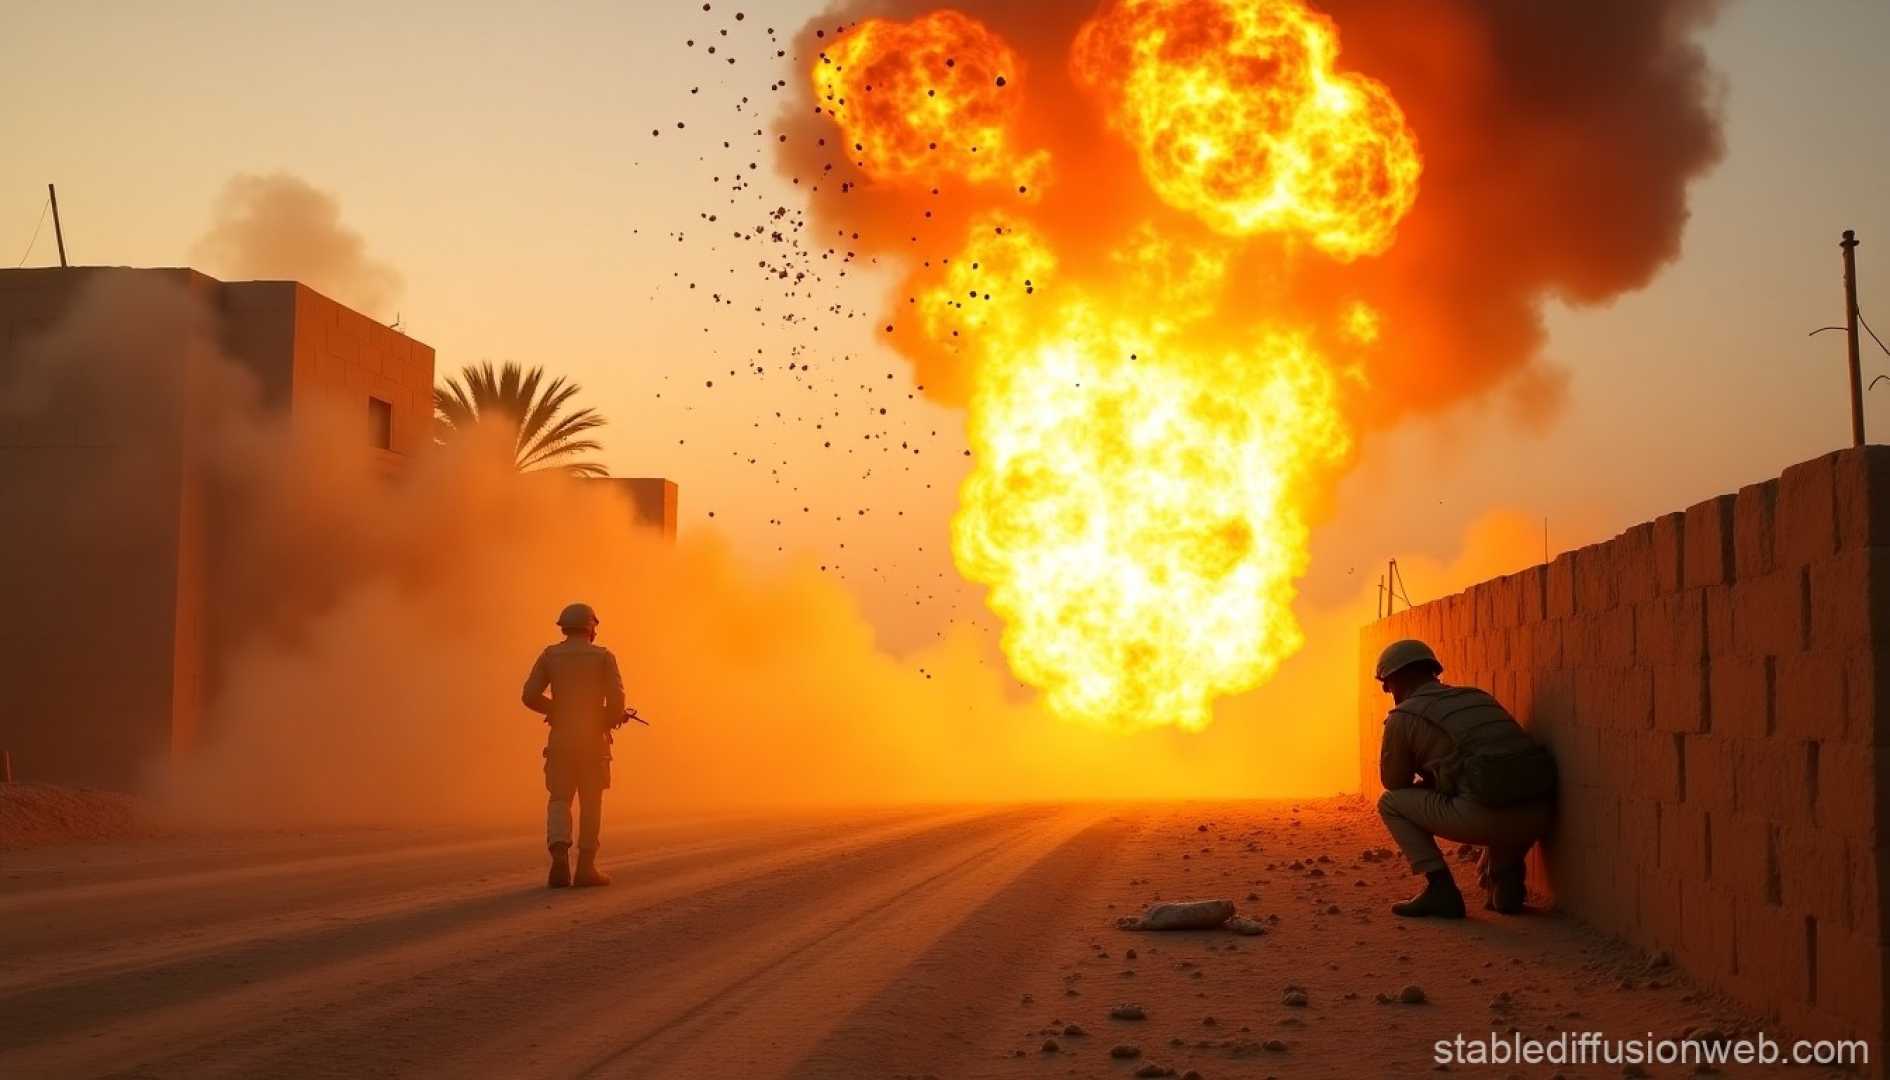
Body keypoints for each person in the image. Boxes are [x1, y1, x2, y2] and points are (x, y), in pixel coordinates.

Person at [1374, 639, 1557, 919]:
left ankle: (1440, 889)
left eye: (1387, 684)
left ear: (1397, 679)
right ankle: (1504, 875)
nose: (1388, 691)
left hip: (1486, 814)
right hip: (1537, 814)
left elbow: (1394, 782)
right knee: (1489, 789)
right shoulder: (1477, 696)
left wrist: (1432, 779)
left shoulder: (1404, 716)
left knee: (1390, 803)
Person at [522, 602, 626, 889]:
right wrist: (607, 719)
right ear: (591, 627)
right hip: (593, 742)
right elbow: (617, 702)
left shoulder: (550, 656)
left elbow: (529, 696)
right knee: (591, 802)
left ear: (564, 627)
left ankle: (559, 855)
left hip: (561, 740)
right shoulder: (603, 657)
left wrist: (555, 710)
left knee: (559, 798)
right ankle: (585, 868)